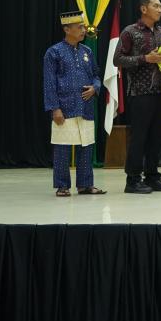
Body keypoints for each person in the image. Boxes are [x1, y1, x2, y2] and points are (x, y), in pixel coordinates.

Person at [113, 0, 161, 194]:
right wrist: (145, 58)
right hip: (140, 92)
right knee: (139, 137)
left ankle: (152, 176)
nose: (160, 9)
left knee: (157, 137)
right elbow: (118, 59)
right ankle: (132, 180)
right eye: (155, 6)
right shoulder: (130, 32)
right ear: (143, 8)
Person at [43, 10, 105, 197]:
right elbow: (48, 82)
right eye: (79, 27)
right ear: (66, 29)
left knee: (86, 146)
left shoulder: (87, 51)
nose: (83, 30)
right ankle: (62, 186)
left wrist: (95, 88)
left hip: (85, 107)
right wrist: (54, 108)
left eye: (84, 27)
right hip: (64, 106)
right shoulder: (54, 52)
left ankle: (85, 185)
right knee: (62, 147)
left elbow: (96, 75)